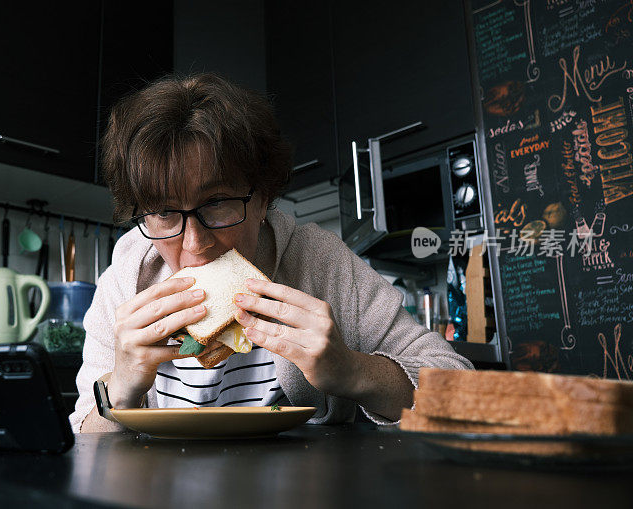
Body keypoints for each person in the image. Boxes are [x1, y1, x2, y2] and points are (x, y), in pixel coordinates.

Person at [70, 73, 472, 433]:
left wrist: (350, 370)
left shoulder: (319, 260)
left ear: (262, 198)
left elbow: (461, 395)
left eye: (217, 202)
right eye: (162, 212)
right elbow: (84, 431)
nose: (194, 245)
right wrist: (120, 385)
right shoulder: (126, 277)